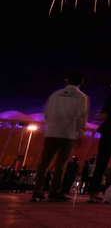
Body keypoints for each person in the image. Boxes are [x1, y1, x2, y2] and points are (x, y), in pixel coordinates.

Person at [31, 71, 89, 202]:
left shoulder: (55, 94)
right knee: (60, 165)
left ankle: (37, 191)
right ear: (81, 82)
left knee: (44, 163)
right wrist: (80, 133)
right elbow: (81, 117)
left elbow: (46, 112)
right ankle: (54, 192)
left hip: (52, 132)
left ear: (67, 80)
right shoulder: (82, 97)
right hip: (68, 134)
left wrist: (51, 124)